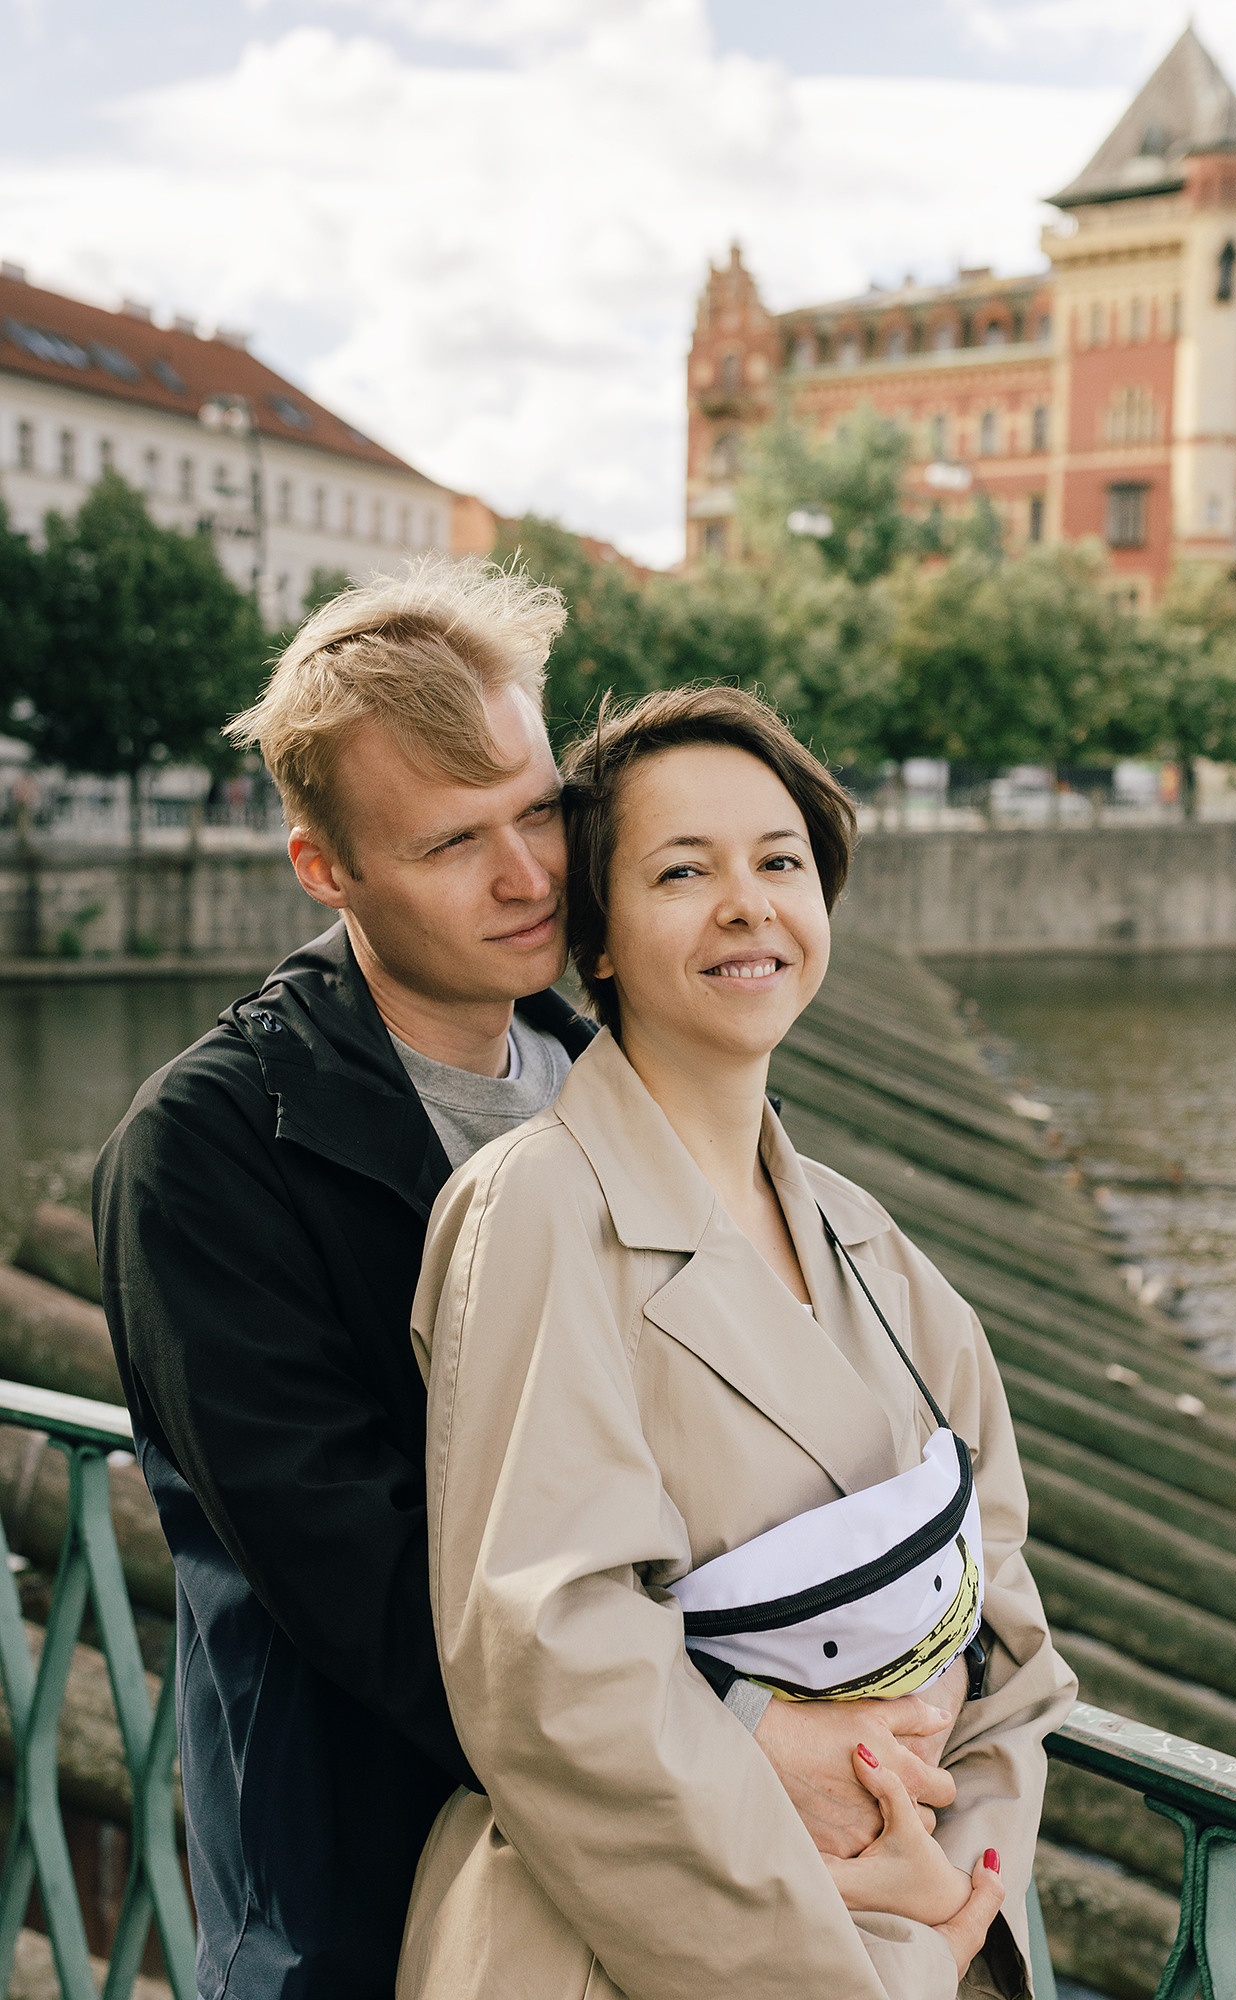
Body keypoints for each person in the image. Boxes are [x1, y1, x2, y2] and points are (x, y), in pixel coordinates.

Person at [92, 564, 979, 2000]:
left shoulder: (595, 1071)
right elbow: (369, 1583)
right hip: (368, 1896)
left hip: (698, 1879)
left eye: (539, 811)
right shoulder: (204, 1156)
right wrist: (748, 1732)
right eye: (451, 843)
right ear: (326, 868)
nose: (525, 878)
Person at [400, 685, 1076, 2000]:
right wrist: (846, 1964)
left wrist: (954, 1910)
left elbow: (1012, 1651)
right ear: (596, 940)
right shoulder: (539, 1205)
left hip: (907, 1940)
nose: (748, 905)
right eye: (681, 871)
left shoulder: (877, 1249)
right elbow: (555, 1674)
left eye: (779, 862)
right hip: (635, 1953)